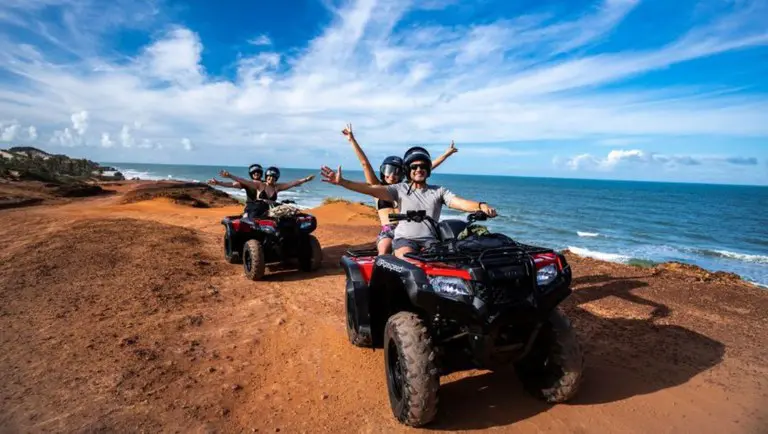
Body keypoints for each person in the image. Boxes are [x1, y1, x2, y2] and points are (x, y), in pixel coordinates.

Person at [320, 146, 497, 259]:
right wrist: (343, 182)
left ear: (428, 170)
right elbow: (370, 189)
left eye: (422, 167)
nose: (418, 169)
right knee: (406, 263)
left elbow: (459, 202)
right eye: (414, 167)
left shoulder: (439, 191)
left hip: (432, 241)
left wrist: (480, 205)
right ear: (408, 170)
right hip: (404, 239)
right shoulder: (398, 190)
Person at [341, 123, 459, 255]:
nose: (392, 175)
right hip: (389, 230)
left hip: (407, 230)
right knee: (384, 248)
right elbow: (365, 164)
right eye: (389, 170)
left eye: (397, 171)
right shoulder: (377, 188)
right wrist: (352, 140)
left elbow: (426, 168)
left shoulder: (404, 189)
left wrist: (446, 155)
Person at [218, 166, 315, 207]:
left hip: (272, 211)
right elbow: (243, 181)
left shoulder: (277, 187)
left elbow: (292, 183)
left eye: (273, 177)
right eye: (269, 177)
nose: (271, 179)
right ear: (266, 177)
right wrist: (230, 176)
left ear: (276, 178)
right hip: (257, 211)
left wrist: (306, 179)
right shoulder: (259, 185)